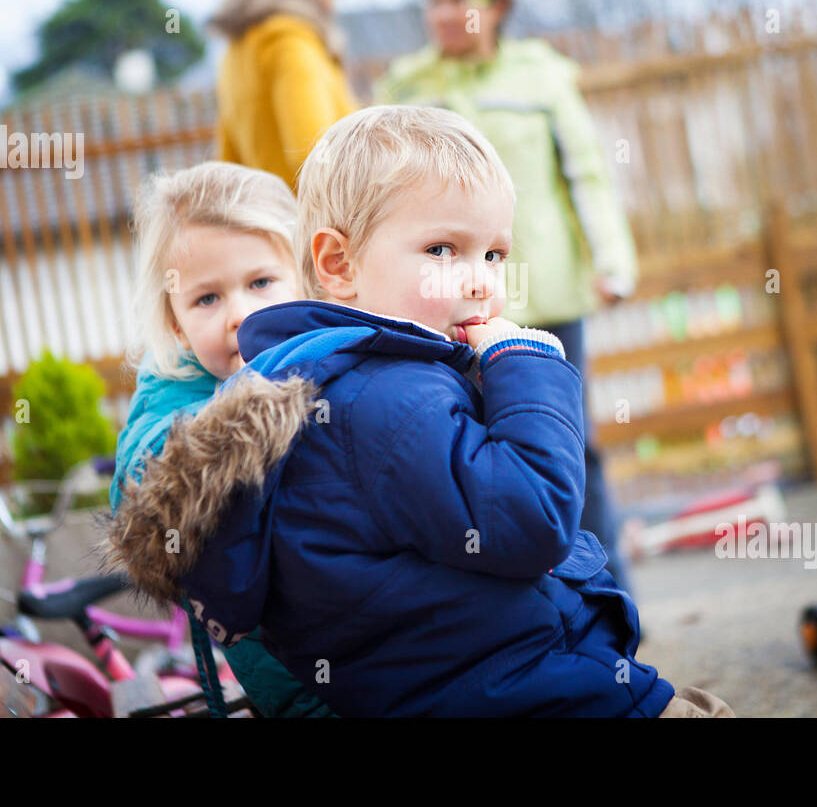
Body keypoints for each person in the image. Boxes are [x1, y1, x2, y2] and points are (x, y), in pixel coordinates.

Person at [106, 106, 732, 717]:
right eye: (441, 250)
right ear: (338, 265)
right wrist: (529, 371)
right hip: (518, 686)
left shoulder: (373, 380)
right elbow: (533, 519)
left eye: (493, 255)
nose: (481, 280)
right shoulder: (384, 397)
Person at [374, 0, 638, 592]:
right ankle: (513, 602)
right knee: (469, 446)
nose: (442, 13)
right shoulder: (404, 87)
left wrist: (613, 260)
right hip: (448, 304)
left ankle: (604, 592)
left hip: (541, 292)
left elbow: (587, 172)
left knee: (570, 442)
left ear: (494, 4)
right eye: (432, 0)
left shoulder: (541, 78)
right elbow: (376, 186)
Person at [107, 160, 333, 717]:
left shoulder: (336, 351)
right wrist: (247, 413)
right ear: (177, 323)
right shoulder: (178, 389)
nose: (241, 314)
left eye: (261, 282)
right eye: (207, 298)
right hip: (299, 680)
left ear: (303, 278)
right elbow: (143, 474)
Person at [210, 0, 356, 189]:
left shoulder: (237, 47)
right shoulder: (292, 43)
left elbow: (229, 166)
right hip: (317, 230)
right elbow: (319, 162)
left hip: (275, 226)